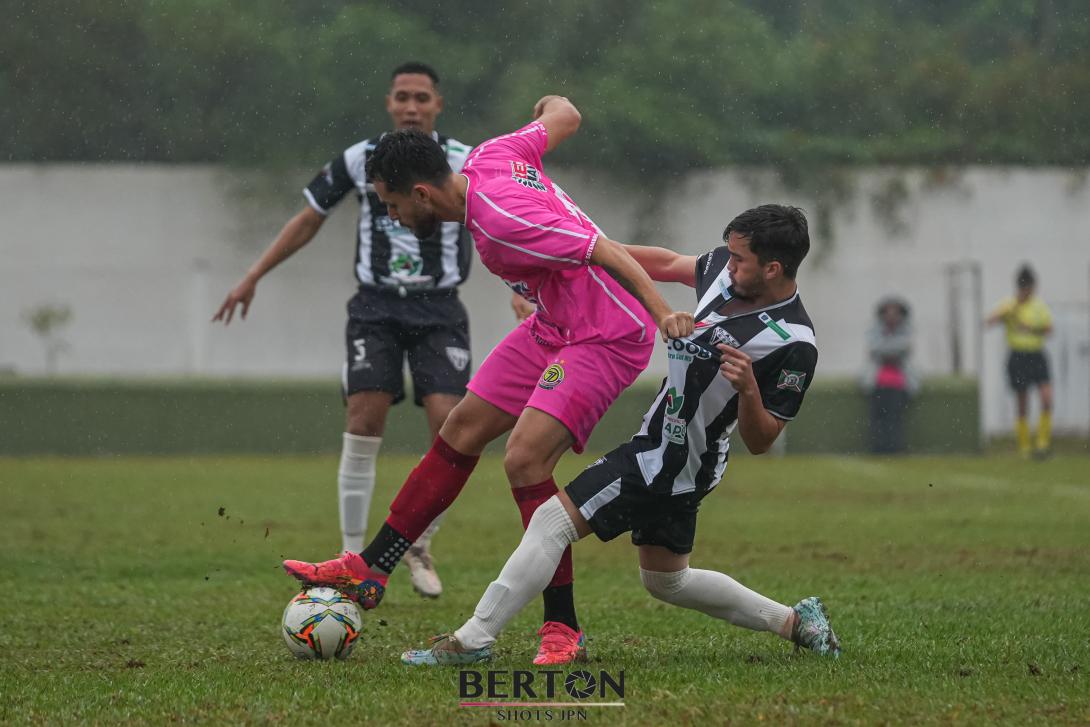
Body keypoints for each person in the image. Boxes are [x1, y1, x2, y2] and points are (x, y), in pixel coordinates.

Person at [283, 94, 695, 665]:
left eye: (393, 205)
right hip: (555, 324)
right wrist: (546, 103)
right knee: (461, 429)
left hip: (605, 334)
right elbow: (568, 114)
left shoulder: (499, 220)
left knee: (525, 460)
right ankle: (370, 570)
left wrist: (662, 311)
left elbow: (602, 250)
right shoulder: (494, 154)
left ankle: (562, 625)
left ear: (422, 194)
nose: (394, 218)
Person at [398, 204, 840, 666]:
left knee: (551, 522)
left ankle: (472, 641)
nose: (727, 266)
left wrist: (748, 388)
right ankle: (796, 622)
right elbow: (658, 262)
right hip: (679, 458)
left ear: (772, 268)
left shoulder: (794, 342)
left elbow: (764, 438)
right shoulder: (724, 275)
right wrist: (563, 268)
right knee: (667, 580)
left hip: (667, 460)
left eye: (739, 260)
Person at [214, 62, 481, 598]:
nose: (411, 106)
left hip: (440, 308)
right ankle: (352, 556)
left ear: (438, 105)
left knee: (451, 424)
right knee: (364, 419)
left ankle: (419, 543)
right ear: (388, 103)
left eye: (421, 97)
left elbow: (496, 220)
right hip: (376, 308)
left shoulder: (465, 162)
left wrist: (523, 288)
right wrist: (253, 275)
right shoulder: (361, 159)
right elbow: (310, 216)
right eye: (402, 96)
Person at [986, 265, 1054, 458]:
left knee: (1046, 397)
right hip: (1018, 356)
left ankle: (1042, 443)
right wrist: (1003, 315)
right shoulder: (1010, 304)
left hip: (1037, 354)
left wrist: (1031, 328)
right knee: (1022, 401)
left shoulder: (1039, 306)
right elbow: (990, 321)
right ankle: (1024, 447)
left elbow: (1049, 329)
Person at [862, 297, 917, 454]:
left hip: (898, 383)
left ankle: (894, 448)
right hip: (878, 383)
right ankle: (878, 448)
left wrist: (886, 348)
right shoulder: (875, 330)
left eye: (895, 312)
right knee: (877, 419)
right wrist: (892, 349)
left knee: (894, 418)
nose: (892, 316)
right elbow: (873, 348)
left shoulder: (906, 330)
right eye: (888, 312)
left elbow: (905, 347)